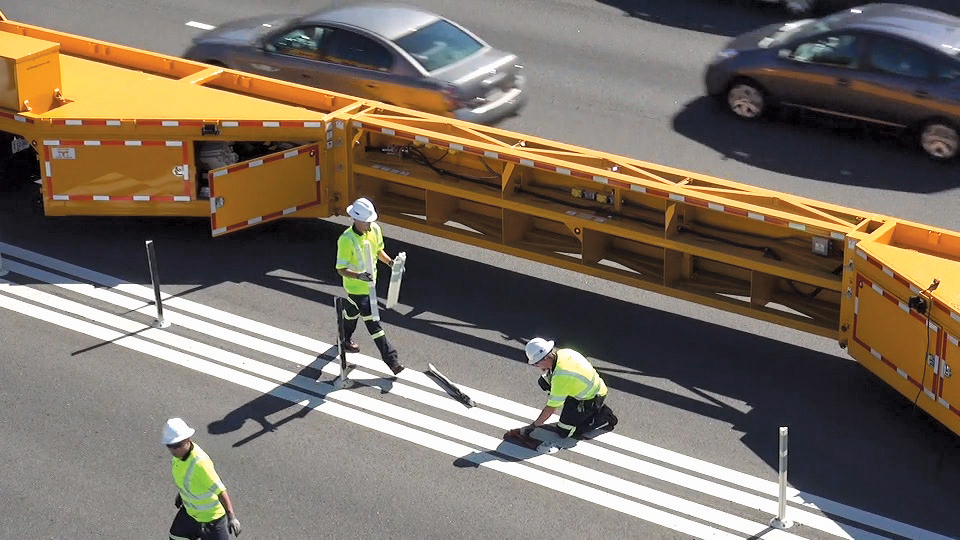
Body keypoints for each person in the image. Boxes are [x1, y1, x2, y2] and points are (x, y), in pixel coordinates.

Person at [335, 197, 404, 375]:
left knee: (351, 312)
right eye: (366, 221)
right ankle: (393, 361)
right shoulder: (346, 240)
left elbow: (378, 250)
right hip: (357, 288)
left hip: (371, 284)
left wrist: (390, 263)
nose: (369, 224)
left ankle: (344, 338)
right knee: (374, 325)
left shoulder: (374, 229)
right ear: (355, 220)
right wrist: (358, 276)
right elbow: (341, 269)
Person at [520, 337, 617, 439]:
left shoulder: (561, 376)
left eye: (536, 363)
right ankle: (570, 403)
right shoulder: (564, 352)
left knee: (564, 432)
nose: (537, 366)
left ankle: (602, 416)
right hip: (589, 386)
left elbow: (550, 408)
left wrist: (533, 426)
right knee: (544, 381)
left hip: (592, 397)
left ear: (544, 358)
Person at [163, 418, 242, 539]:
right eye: (170, 446)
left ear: (187, 439)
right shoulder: (178, 457)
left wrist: (232, 517)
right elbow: (188, 479)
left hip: (212, 521)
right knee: (175, 537)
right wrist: (182, 495)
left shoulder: (200, 464)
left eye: (177, 445)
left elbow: (221, 491)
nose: (173, 450)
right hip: (190, 515)